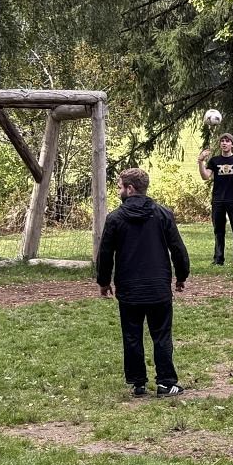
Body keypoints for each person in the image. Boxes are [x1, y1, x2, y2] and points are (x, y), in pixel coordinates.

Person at [96, 167, 190, 397]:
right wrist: (181, 275)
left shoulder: (115, 218)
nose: (118, 191)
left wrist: (104, 281)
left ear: (130, 189)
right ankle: (166, 382)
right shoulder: (162, 214)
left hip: (129, 289)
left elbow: (105, 253)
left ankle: (138, 383)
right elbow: (178, 248)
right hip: (158, 287)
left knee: (132, 335)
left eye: (120, 187)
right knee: (162, 336)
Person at [198, 131, 233, 266]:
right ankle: (218, 259)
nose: (224, 143)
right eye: (222, 141)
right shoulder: (215, 160)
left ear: (232, 144)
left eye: (227, 141)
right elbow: (205, 176)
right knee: (218, 231)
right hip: (218, 200)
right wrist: (200, 162)